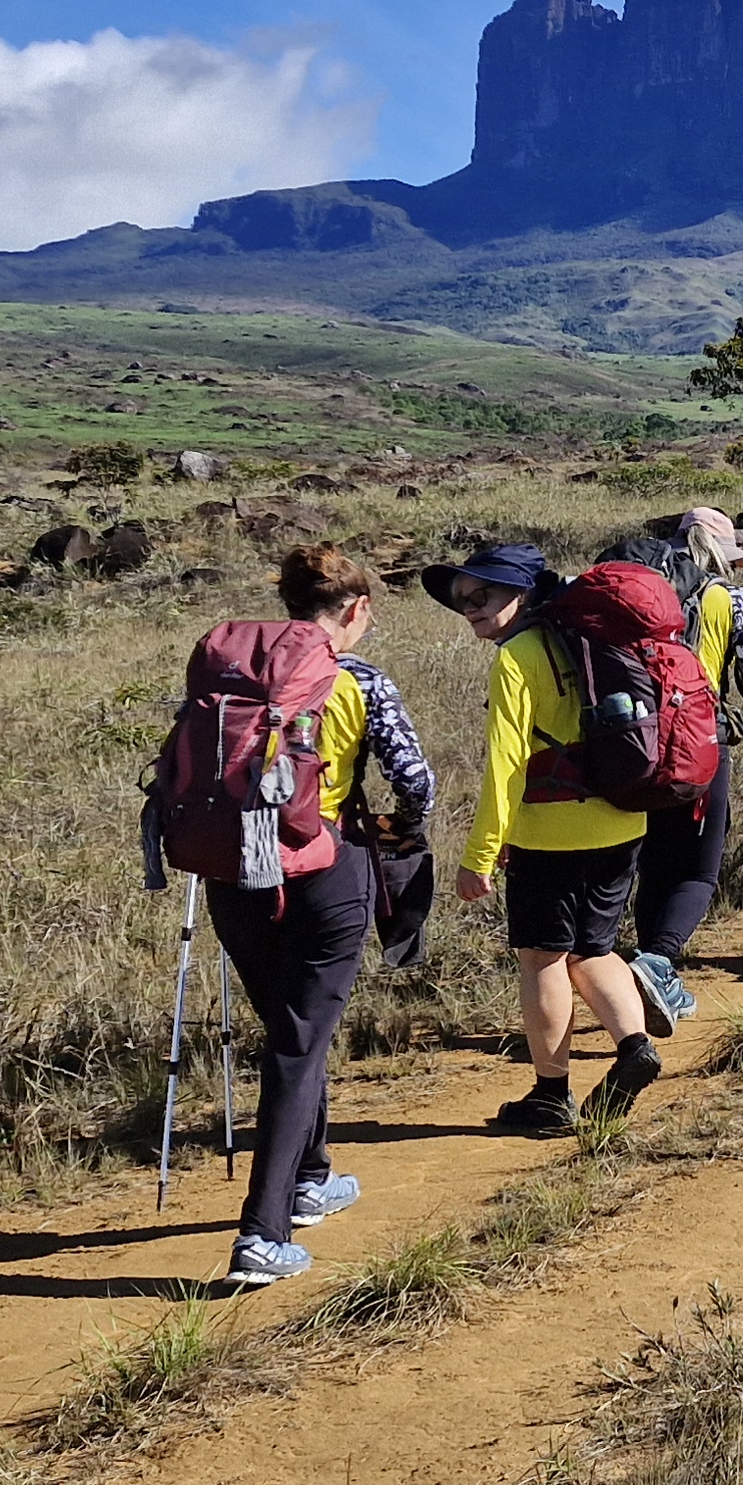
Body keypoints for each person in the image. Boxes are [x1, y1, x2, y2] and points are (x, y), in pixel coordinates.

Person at [203, 544, 434, 1289]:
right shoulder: (359, 679)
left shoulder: (238, 675)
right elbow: (415, 780)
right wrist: (399, 827)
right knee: (300, 1042)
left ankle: (311, 1174)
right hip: (326, 864)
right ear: (356, 609)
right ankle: (262, 1232)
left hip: (235, 867)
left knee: (290, 1028)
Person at [427, 538, 661, 1137]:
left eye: (483, 595)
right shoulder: (598, 641)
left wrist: (479, 853)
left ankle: (551, 1096)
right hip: (623, 819)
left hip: (548, 835)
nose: (472, 608)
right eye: (464, 601)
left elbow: (505, 765)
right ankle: (634, 1045)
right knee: (596, 947)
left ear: (523, 594)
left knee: (541, 957)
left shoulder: (517, 657)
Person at [623, 503, 743, 1035]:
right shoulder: (728, 597)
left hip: (631, 744)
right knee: (699, 868)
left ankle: (648, 969)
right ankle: (658, 960)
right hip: (699, 742)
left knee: (652, 861)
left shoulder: (633, 586)